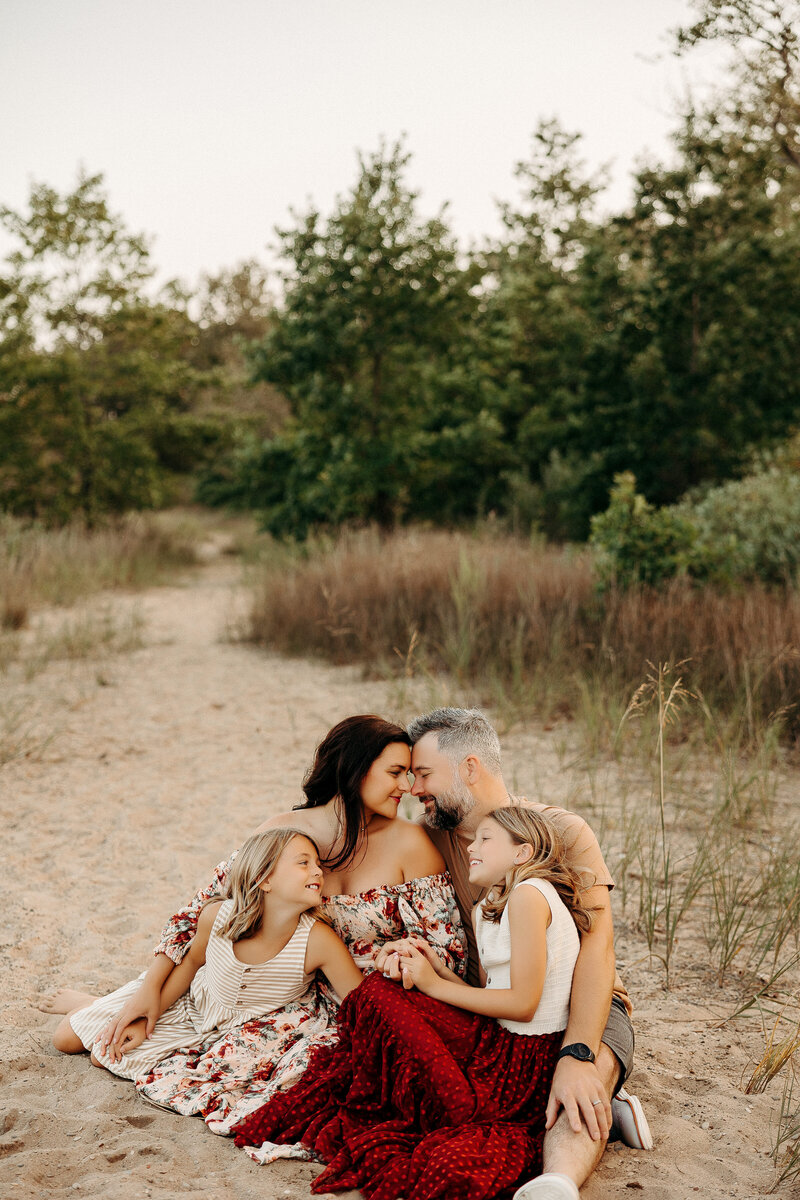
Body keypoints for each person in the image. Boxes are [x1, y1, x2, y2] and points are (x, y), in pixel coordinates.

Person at [44, 716, 465, 1140]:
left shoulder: (410, 843)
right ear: (355, 768)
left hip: (333, 1001)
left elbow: (447, 951)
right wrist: (149, 990)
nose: (407, 788)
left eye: (410, 775)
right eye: (395, 772)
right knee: (73, 1038)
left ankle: (112, 1005)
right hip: (238, 979)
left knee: (268, 1088)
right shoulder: (283, 835)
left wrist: (398, 960)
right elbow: (197, 916)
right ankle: (103, 1001)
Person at [232, 807, 592, 1200]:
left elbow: (523, 1005)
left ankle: (447, 1110)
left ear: (521, 854)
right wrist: (435, 970)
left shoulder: (529, 895)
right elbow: (491, 999)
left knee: (382, 998)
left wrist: (432, 987)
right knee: (380, 991)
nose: (472, 847)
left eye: (486, 839)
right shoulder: (492, 903)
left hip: (522, 1066)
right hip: (496, 1042)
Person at [379, 707, 651, 1200]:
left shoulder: (559, 831)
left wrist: (577, 1052)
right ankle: (606, 1108)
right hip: (492, 1005)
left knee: (578, 1085)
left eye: (423, 774)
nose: (415, 790)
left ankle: (558, 1182)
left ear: (469, 768)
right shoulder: (430, 835)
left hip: (578, 1002)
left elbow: (598, 947)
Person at [52, 829, 362, 1079]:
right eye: (304, 863)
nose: (318, 871)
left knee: (101, 1058)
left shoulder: (318, 941)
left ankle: (94, 1004)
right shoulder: (218, 916)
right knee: (64, 1040)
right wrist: (151, 1014)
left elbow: (363, 1002)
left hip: (221, 1033)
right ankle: (95, 1003)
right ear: (265, 879)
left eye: (318, 864)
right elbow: (190, 964)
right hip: (183, 1001)